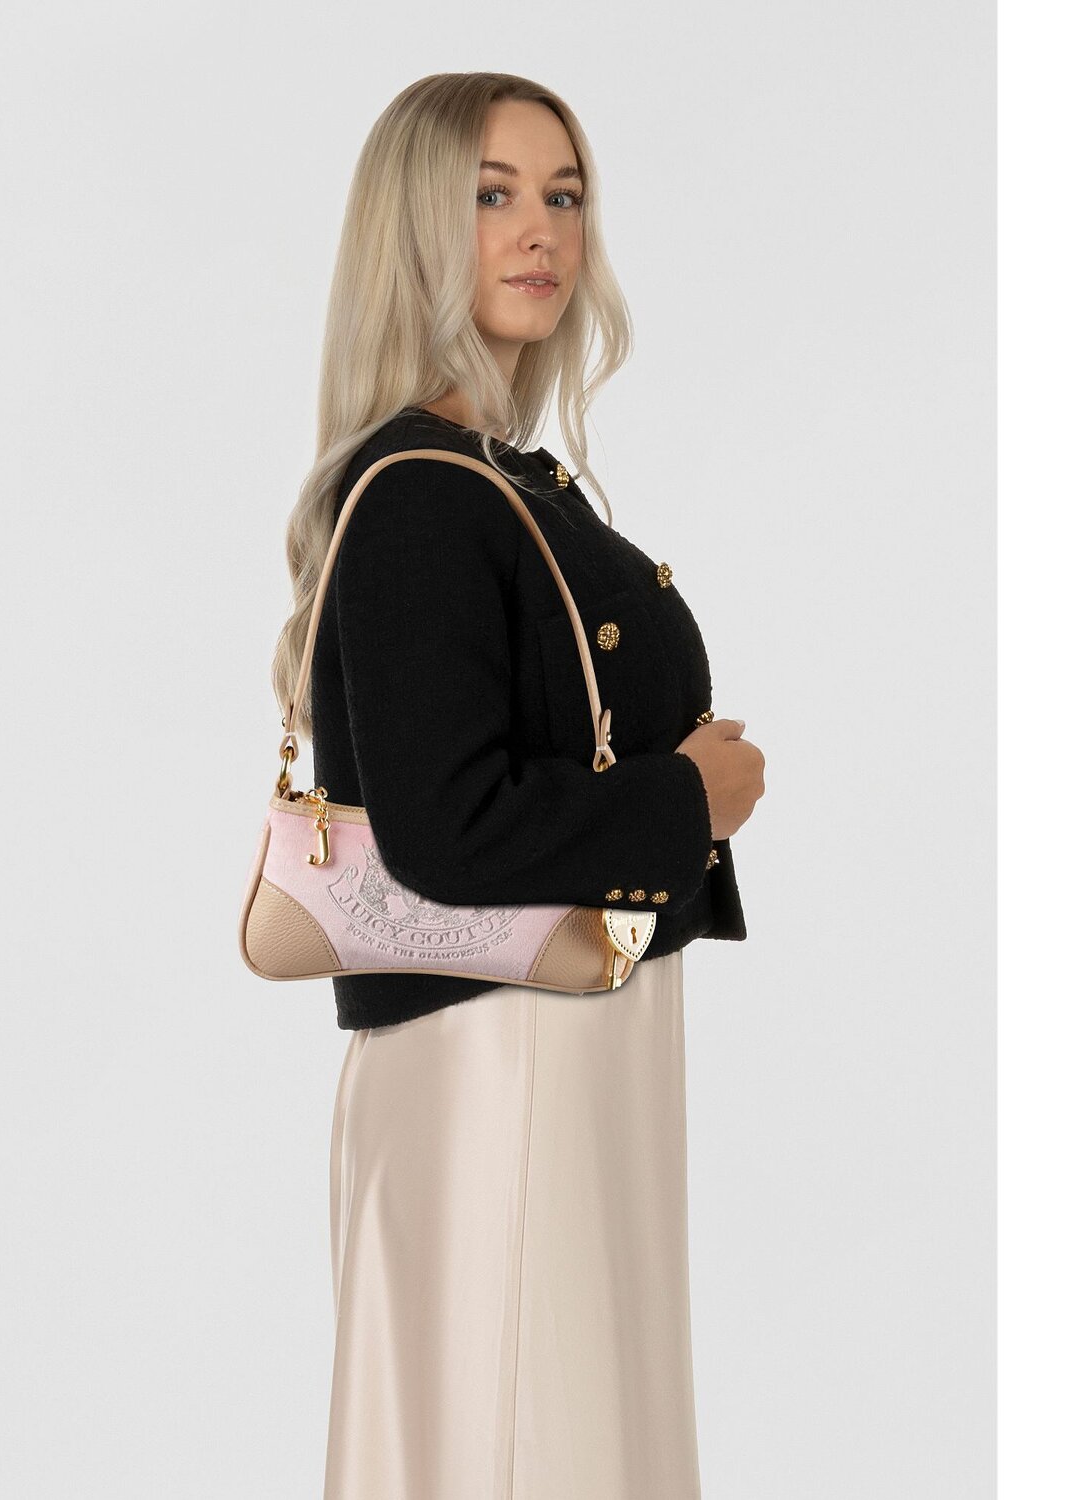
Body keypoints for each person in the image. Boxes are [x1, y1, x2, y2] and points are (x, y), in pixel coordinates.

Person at [268, 71, 766, 1500]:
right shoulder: (427, 495)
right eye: (492, 195)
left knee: (558, 1430)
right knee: (522, 1437)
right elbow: (446, 830)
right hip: (499, 1057)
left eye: (565, 194)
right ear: (415, 228)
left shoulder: (500, 478)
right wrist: (688, 803)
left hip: (564, 1039)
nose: (540, 229)